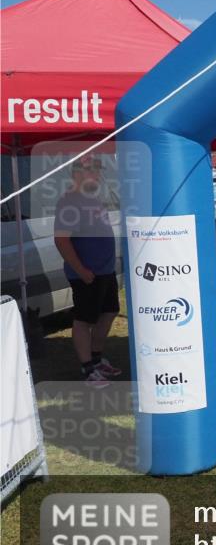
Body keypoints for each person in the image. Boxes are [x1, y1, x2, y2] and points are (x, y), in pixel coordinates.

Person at [54, 156, 122, 388]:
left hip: (105, 271)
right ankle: (88, 368)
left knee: (110, 311)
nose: (98, 175)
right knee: (84, 319)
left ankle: (96, 357)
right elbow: (62, 240)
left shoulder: (93, 199)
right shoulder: (69, 202)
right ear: (77, 173)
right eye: (93, 170)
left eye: (98, 170)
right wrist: (81, 270)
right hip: (86, 274)